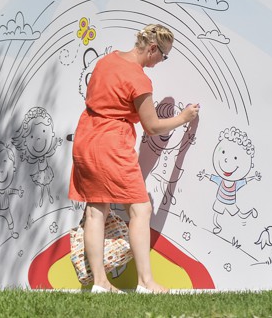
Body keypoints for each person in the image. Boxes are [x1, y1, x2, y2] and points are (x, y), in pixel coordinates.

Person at [68, 24, 200, 294]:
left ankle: (100, 284)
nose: (161, 61)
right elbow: (152, 126)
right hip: (111, 144)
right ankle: (145, 281)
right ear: (152, 48)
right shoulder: (139, 79)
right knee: (141, 209)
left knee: (96, 210)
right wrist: (183, 118)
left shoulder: (106, 61)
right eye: (163, 56)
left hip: (86, 138)